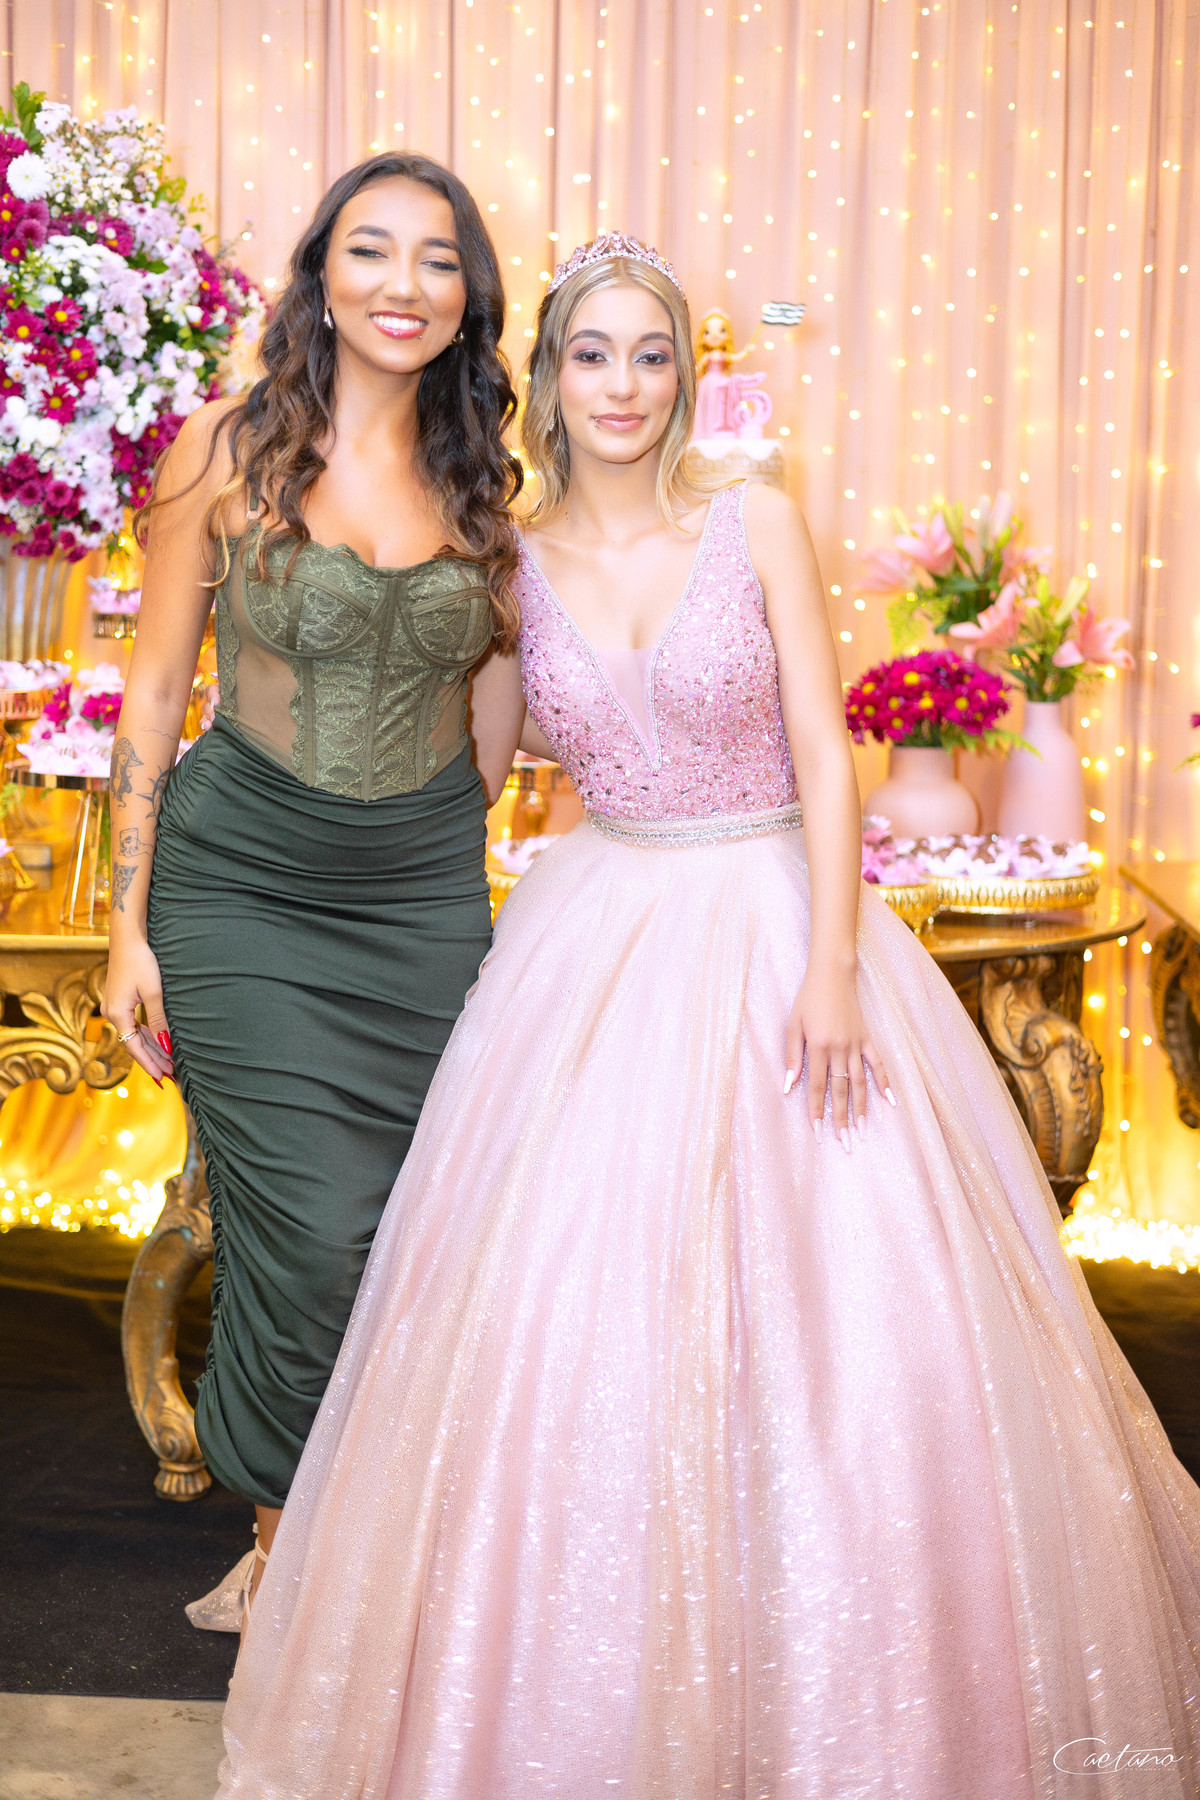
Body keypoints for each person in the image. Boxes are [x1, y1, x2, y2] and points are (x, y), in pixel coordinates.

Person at [214, 236, 1200, 1796]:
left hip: (777, 919)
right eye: (591, 354)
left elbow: (824, 753)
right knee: (566, 1304)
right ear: (548, 379)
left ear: (685, 376)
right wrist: (293, 872)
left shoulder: (757, 521)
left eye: (651, 354)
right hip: (594, 935)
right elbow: (465, 775)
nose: (622, 385)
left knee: (855, 1304)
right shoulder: (504, 559)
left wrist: (832, 968)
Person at [102, 153, 525, 1624]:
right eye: (372, 250)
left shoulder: (488, 481)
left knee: (414, 1230)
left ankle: (333, 1552)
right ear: (322, 279)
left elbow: (496, 698)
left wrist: (455, 859)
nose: (404, 283)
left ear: (469, 297)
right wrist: (124, 927)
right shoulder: (225, 454)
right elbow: (154, 697)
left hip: (421, 901)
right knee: (319, 1226)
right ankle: (288, 1552)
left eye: (438, 259)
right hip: (242, 888)